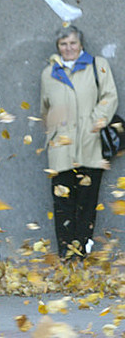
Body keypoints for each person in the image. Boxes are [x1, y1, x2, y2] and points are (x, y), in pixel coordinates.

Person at [40, 25, 118, 259]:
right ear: (58, 47)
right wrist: (53, 130)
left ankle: (81, 251)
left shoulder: (98, 65)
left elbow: (110, 96)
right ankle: (66, 253)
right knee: (62, 202)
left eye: (73, 43)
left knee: (86, 203)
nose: (69, 48)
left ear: (81, 44)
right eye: (63, 44)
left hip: (90, 145)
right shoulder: (48, 73)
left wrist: (94, 122)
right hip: (60, 149)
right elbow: (45, 109)